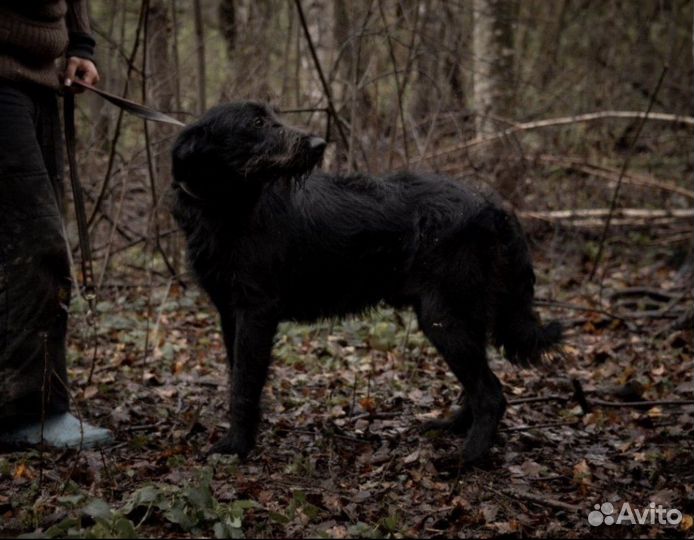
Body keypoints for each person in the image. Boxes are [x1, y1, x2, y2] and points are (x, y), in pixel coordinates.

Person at [0, 0, 112, 448]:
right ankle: (28, 412)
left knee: (37, 245)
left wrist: (80, 44)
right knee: (34, 247)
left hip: (42, 82)